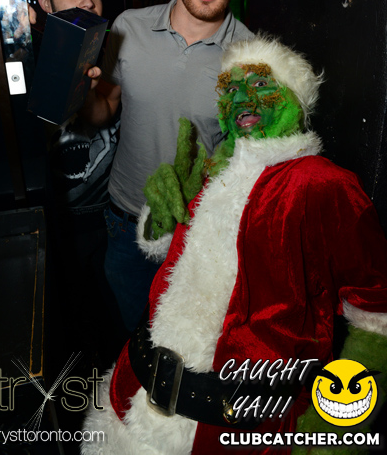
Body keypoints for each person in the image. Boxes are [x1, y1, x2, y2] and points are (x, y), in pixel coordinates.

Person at [82, 34, 387, 455]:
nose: (240, 98)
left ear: (295, 98)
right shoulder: (213, 171)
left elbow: (377, 315)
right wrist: (161, 217)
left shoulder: (322, 184)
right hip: (132, 394)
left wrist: (338, 424)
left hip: (232, 431)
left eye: (261, 84)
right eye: (228, 89)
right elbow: (171, 259)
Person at [81, 0, 255, 333]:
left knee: (185, 347)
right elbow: (106, 109)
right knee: (134, 338)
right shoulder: (128, 27)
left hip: (194, 234)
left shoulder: (251, 57)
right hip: (124, 221)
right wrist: (80, 92)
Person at [35, 0, 122, 363]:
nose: (88, 2)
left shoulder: (110, 55)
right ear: (46, 4)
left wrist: (85, 84)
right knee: (74, 335)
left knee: (117, 325)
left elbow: (103, 112)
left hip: (109, 221)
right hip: (59, 228)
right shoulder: (20, 61)